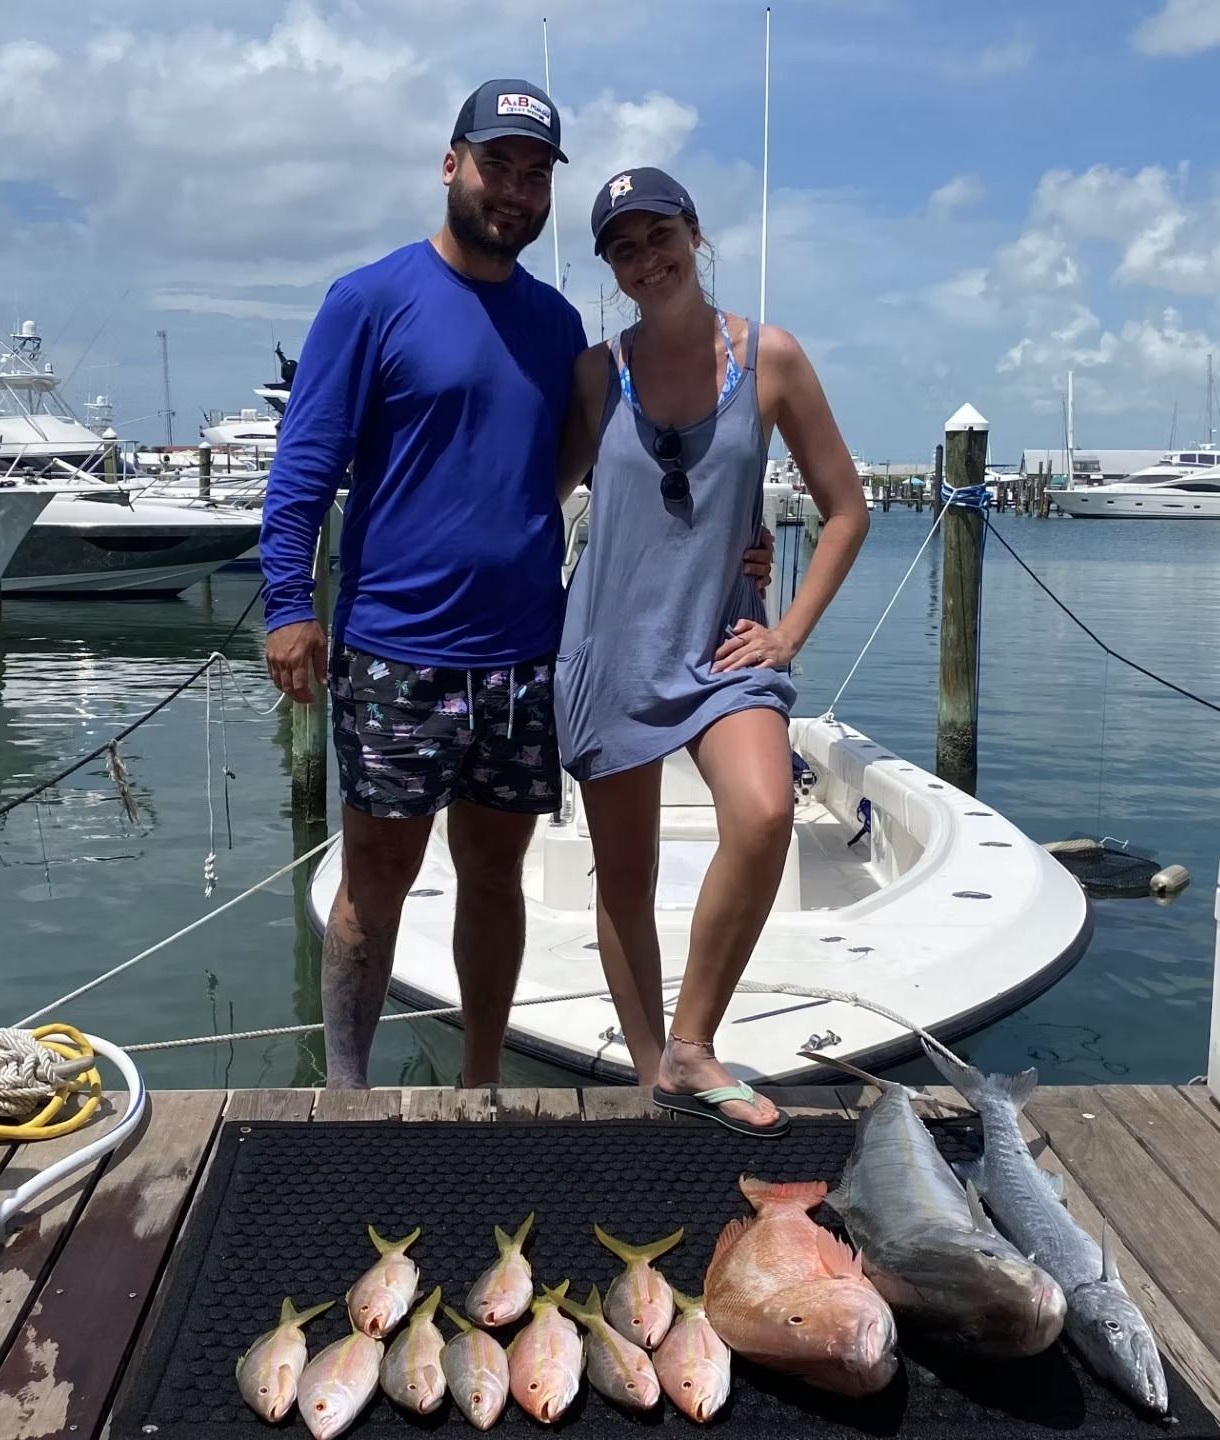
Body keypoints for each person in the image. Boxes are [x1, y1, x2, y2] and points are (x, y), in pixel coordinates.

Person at [258, 83, 773, 1090]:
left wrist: (735, 539)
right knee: (376, 882)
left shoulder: (556, 331)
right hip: (395, 648)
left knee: (495, 877)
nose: (515, 191)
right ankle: (347, 1090)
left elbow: (633, 463)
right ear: (452, 165)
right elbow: (303, 468)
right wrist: (288, 605)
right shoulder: (370, 300)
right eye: (498, 166)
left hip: (525, 655)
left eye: (537, 175)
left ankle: (480, 1082)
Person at [553, 167, 868, 1135]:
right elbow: (535, 494)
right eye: (623, 247)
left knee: (766, 814)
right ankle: (658, 1078)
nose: (646, 260)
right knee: (625, 876)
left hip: (725, 649)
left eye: (660, 236)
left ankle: (694, 1043)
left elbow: (847, 509)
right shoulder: (597, 373)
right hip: (608, 648)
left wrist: (787, 630)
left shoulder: (769, 359)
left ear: (696, 235)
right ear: (610, 267)